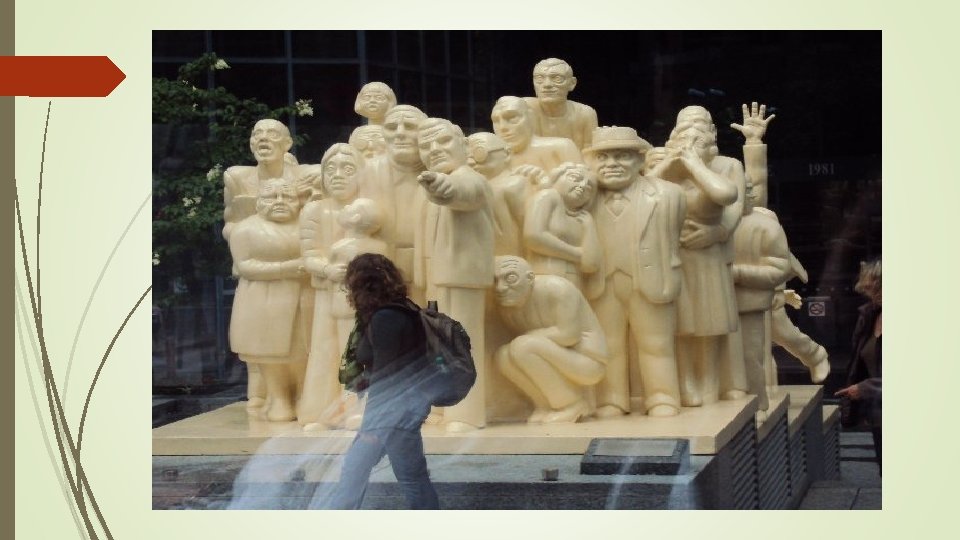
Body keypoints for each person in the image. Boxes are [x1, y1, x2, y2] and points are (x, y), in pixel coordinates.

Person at [584, 126, 685, 417]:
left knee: (656, 343)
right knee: (608, 344)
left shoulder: (668, 194)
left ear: (641, 160)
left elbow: (674, 235)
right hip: (602, 282)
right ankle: (612, 399)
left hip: (650, 279)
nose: (611, 164)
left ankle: (662, 397)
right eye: (602, 157)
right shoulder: (583, 196)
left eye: (622, 156)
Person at [325, 253, 440, 509]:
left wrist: (373, 427)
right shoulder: (403, 310)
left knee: (391, 476)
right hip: (403, 409)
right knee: (408, 476)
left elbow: (389, 375)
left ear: (361, 285)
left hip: (391, 414)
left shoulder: (386, 318)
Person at [650, 106, 746, 406]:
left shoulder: (727, 166)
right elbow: (644, 192)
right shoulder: (665, 165)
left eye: (700, 126)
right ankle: (685, 382)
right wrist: (671, 162)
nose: (691, 133)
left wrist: (718, 233)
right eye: (684, 129)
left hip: (710, 252)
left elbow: (732, 204)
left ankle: (710, 382)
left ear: (712, 133)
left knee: (710, 321)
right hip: (673, 254)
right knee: (680, 321)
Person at [417, 117, 495, 432]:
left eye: (443, 141)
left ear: (464, 145)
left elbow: (460, 193)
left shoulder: (470, 179)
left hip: (463, 277)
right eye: (426, 146)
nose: (434, 149)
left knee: (463, 342)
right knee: (440, 344)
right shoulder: (429, 187)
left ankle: (467, 413)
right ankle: (444, 405)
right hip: (438, 276)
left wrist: (441, 187)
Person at [228, 178, 310, 422]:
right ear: (259, 202)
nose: (280, 202)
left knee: (302, 350)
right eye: (272, 197)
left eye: (287, 196)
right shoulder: (245, 230)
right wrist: (288, 268)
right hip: (261, 300)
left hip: (302, 297)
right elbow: (245, 266)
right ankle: (278, 398)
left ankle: (303, 397)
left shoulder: (307, 224)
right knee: (269, 354)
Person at [494, 256, 608, 424]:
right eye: (495, 280)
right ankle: (546, 405)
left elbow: (569, 335)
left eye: (510, 278)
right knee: (503, 356)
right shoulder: (509, 305)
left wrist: (530, 339)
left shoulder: (558, 289)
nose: (501, 287)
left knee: (522, 346)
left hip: (587, 360)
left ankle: (571, 404)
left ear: (530, 278)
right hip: (556, 357)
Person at [524, 162, 602, 291]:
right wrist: (578, 254)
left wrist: (589, 227)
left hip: (575, 281)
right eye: (575, 178)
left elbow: (591, 264)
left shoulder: (584, 218)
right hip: (546, 275)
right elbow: (533, 236)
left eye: (589, 187)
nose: (582, 186)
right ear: (557, 178)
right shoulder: (547, 196)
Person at [835, 259, 882, 472]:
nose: (869, 293)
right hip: (879, 413)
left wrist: (864, 388)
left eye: (874, 287)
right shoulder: (870, 316)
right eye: (869, 288)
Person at [491, 96, 583, 173]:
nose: (502, 127)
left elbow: (584, 182)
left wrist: (550, 181)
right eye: (496, 121)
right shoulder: (492, 160)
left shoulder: (562, 147)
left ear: (531, 117)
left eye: (512, 118)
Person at [523, 58, 599, 150]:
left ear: (572, 83)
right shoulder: (523, 109)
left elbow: (591, 153)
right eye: (539, 78)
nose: (547, 84)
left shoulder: (585, 114)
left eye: (557, 78)